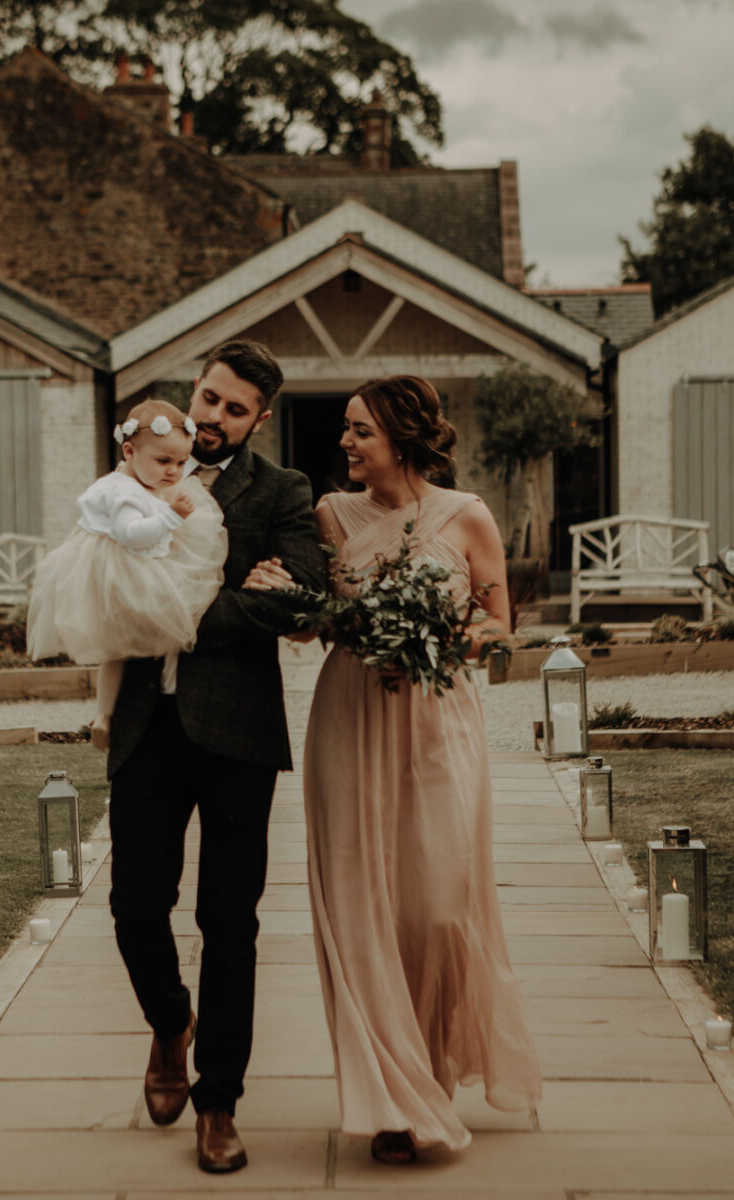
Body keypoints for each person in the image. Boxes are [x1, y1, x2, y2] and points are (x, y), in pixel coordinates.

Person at [283, 376, 539, 1163]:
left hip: (438, 721)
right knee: (362, 910)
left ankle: (426, 1066)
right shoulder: (331, 515)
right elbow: (311, 619)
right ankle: (392, 1102)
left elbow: (500, 628)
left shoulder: (468, 517)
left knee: (435, 906)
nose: (346, 443)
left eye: (360, 430)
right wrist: (297, 604)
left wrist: (439, 636)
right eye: (345, 431)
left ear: (400, 435)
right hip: (351, 720)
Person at [104, 341, 324, 1175]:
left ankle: (219, 1102)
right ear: (193, 390)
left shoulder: (282, 491)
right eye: (209, 397)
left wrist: (194, 614)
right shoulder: (135, 468)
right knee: (134, 907)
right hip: (144, 727)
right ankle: (170, 1024)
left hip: (237, 734)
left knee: (230, 924)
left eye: (235, 409)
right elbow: (104, 573)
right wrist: (235, 595)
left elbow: (296, 594)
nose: (212, 417)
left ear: (258, 419)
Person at [26, 398, 225, 749]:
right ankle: (103, 714)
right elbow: (131, 534)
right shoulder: (121, 492)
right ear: (130, 451)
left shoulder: (149, 484)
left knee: (129, 647)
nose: (173, 472)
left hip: (139, 566)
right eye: (163, 461)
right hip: (122, 572)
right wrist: (171, 517)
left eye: (181, 462)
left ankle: (123, 705)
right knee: (120, 646)